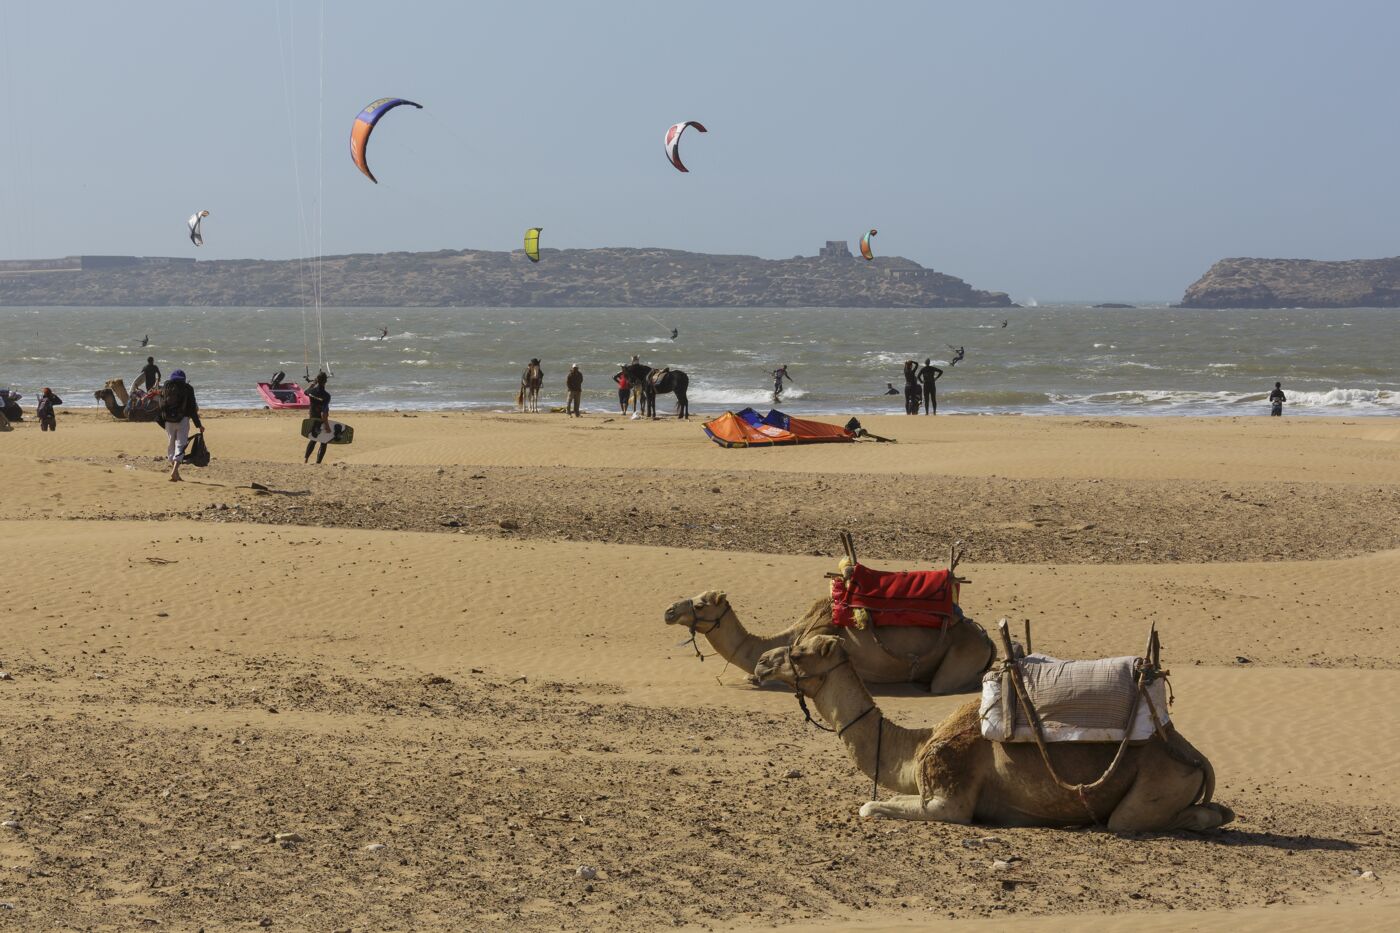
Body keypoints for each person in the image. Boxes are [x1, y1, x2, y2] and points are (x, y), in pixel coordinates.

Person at [160, 369, 203, 482]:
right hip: (183, 420)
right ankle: (174, 472)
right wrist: (198, 425)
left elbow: (161, 403)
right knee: (181, 445)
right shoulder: (188, 388)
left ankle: (176, 472)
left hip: (168, 421)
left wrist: (162, 420)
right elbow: (192, 409)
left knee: (171, 445)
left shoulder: (166, 386)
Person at [304, 372, 332, 464]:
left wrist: (313, 383)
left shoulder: (311, 392)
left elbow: (305, 392)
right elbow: (324, 412)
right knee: (323, 441)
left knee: (313, 438)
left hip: (312, 417)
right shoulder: (326, 396)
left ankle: (306, 460)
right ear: (326, 381)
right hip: (321, 419)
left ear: (317, 381)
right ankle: (318, 462)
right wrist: (327, 426)